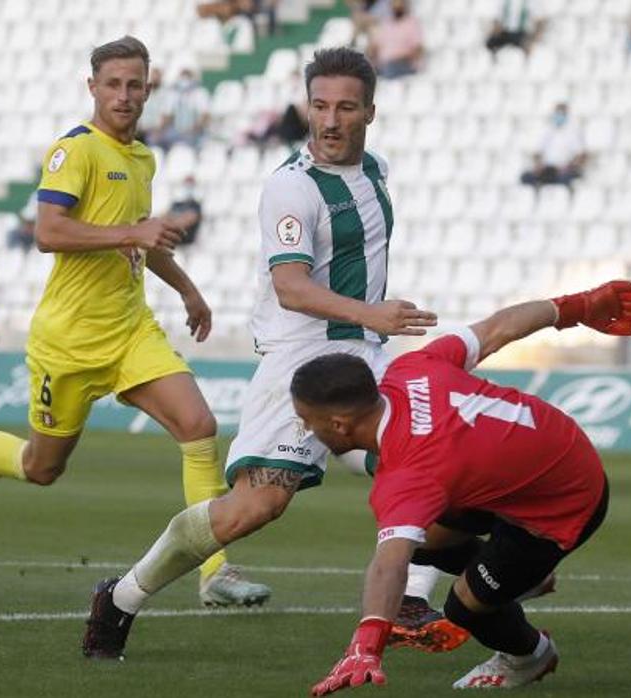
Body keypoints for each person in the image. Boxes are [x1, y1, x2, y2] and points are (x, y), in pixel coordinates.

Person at [84, 48, 462, 662]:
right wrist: (374, 312)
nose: (331, 120)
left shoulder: (376, 171)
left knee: (436, 459)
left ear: (371, 109)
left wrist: (372, 327)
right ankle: (121, 597)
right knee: (254, 508)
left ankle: (412, 597)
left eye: (345, 107)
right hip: (302, 361)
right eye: (319, 106)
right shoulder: (291, 188)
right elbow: (291, 285)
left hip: (367, 356)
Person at [0, 36, 268, 607]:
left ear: (148, 88)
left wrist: (189, 291)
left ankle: (214, 573)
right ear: (92, 87)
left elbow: (142, 234)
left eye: (134, 85)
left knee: (199, 427)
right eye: (112, 84)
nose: (124, 95)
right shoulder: (75, 151)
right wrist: (132, 234)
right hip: (67, 341)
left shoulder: (142, 158)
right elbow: (49, 232)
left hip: (130, 330)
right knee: (41, 468)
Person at [302, 280, 631, 694]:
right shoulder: (411, 368)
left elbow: (389, 564)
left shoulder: (407, 477)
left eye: (309, 420)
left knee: (465, 606)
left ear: (340, 425)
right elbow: (497, 328)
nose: (306, 428)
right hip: (551, 445)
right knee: (428, 537)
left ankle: (530, 656)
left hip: (565, 502)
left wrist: (365, 646)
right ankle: (525, 579)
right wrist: (577, 306)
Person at [520, 103, 587, 188]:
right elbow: (537, 152)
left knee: (564, 179)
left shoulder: (573, 132)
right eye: (557, 113)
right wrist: (538, 165)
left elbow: (581, 155)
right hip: (547, 169)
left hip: (564, 170)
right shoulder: (547, 131)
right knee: (526, 177)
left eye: (561, 113)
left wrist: (569, 167)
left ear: (566, 115)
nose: (559, 116)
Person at [153, 68, 211, 150]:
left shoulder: (201, 93)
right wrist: (158, 132)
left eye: (187, 76)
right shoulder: (172, 94)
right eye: (183, 76)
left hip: (194, 133)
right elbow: (166, 117)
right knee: (155, 141)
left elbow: (205, 118)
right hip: (175, 132)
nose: (185, 80)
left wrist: (193, 130)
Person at [368, 0, 424, 79]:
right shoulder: (386, 24)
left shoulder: (412, 23)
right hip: (384, 65)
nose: (396, 6)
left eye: (399, 4)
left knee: (389, 68)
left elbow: (418, 50)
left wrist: (401, 58)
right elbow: (375, 46)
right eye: (394, 3)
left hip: (404, 64)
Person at [168, 176, 203, 246]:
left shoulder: (195, 205)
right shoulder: (176, 204)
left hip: (187, 244)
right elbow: (164, 217)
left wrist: (173, 221)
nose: (188, 187)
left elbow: (188, 220)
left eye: (190, 185)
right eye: (186, 184)